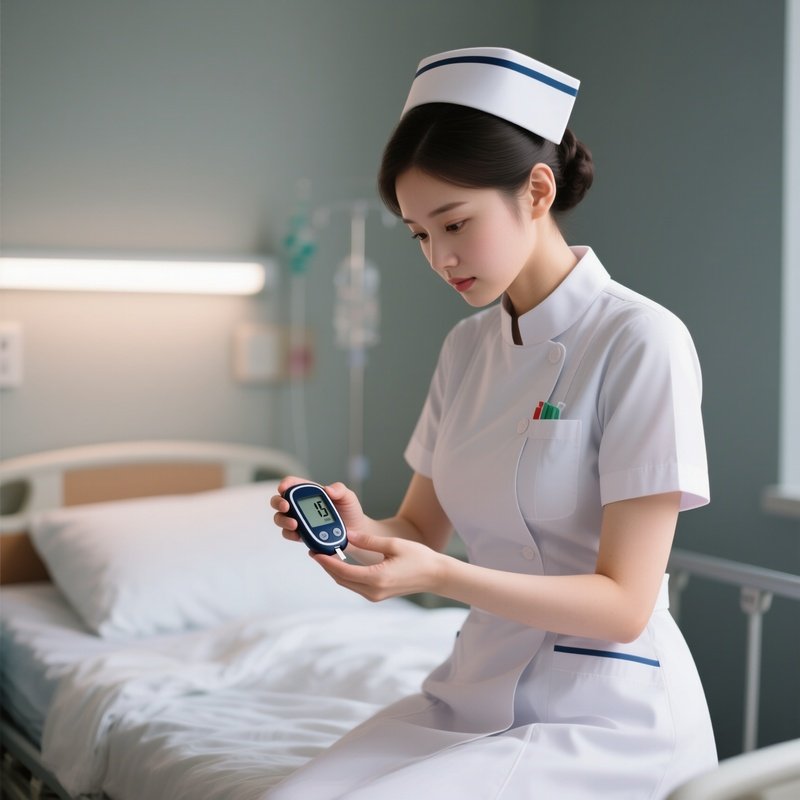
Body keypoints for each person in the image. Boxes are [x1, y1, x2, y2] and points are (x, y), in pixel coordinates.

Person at [268, 46, 717, 799]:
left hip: (603, 716)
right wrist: (360, 532)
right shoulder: (466, 347)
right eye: (418, 235)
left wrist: (439, 576)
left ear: (537, 191)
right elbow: (418, 528)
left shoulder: (642, 340)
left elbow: (624, 602)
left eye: (455, 223)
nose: (440, 257)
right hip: (472, 691)